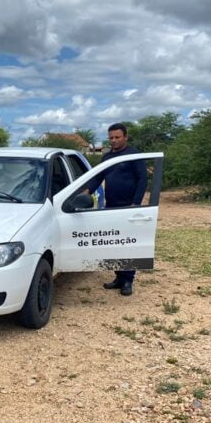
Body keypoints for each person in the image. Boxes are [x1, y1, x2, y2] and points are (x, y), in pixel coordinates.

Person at [84, 123, 148, 296]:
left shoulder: (133, 155)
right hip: (111, 206)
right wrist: (86, 192)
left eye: (117, 137)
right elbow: (98, 177)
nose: (113, 140)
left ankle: (128, 280)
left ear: (125, 137)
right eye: (111, 137)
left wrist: (136, 203)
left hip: (128, 206)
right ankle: (118, 277)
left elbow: (143, 179)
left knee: (127, 244)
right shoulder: (106, 157)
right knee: (113, 243)